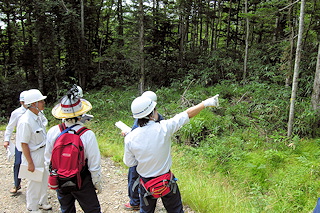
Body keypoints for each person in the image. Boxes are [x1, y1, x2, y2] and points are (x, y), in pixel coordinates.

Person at [123, 93, 219, 213]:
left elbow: (129, 162)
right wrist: (205, 103)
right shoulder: (164, 128)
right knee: (176, 210)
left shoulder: (130, 138)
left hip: (146, 185)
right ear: (152, 113)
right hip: (166, 182)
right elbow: (186, 115)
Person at [44, 85, 102, 213]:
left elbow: (48, 159)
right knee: (93, 210)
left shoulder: (53, 131)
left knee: (66, 208)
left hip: (60, 177)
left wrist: (54, 177)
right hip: (82, 179)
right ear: (81, 113)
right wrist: (96, 183)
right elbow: (94, 163)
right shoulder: (87, 134)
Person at [123, 91, 164, 211]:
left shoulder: (149, 118)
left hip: (140, 156)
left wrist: (128, 135)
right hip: (152, 156)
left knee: (135, 179)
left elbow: (141, 134)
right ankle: (142, 200)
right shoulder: (158, 118)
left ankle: (135, 202)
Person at [15, 89, 52, 212]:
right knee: (34, 182)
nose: (43, 103)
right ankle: (32, 207)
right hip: (34, 154)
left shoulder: (38, 116)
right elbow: (24, 144)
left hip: (43, 152)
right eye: (41, 101)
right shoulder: (25, 121)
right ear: (34, 104)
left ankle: (42, 201)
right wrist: (30, 162)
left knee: (44, 179)